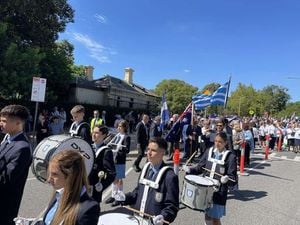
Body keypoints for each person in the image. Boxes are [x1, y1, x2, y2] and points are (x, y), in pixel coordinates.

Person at [15, 150, 100, 225]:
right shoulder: (58, 195)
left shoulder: (88, 209)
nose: (48, 180)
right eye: (49, 173)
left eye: (55, 174)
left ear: (71, 176)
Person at [115, 137, 179, 225]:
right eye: (148, 149)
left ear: (162, 152)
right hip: (137, 220)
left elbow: (172, 206)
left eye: (153, 150)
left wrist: (164, 216)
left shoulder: (170, 176)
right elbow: (137, 193)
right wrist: (125, 198)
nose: (149, 153)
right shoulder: (146, 168)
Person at [183, 132, 237, 225]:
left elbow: (232, 178)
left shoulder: (230, 157)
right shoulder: (209, 151)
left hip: (219, 192)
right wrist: (190, 170)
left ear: (225, 143)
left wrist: (227, 179)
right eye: (215, 141)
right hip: (206, 190)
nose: (217, 143)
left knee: (215, 219)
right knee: (207, 215)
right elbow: (200, 167)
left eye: (220, 142)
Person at [0, 105, 32, 225]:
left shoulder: (22, 148)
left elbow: (6, 179)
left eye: (4, 121)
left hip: (4, 206)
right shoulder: (7, 140)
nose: (1, 123)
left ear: (18, 123)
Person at [105, 120, 131, 206]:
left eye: (120, 126)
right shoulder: (117, 135)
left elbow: (127, 150)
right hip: (113, 159)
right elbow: (111, 144)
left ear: (124, 127)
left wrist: (120, 148)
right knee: (114, 179)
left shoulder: (126, 137)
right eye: (118, 126)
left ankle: (119, 198)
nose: (118, 128)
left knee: (119, 179)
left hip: (120, 160)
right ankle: (113, 195)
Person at [89, 125, 116, 203]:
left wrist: (102, 185)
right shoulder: (89, 147)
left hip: (94, 188)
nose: (93, 135)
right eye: (93, 132)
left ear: (104, 135)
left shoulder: (106, 151)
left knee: (92, 211)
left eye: (97, 133)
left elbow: (112, 173)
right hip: (82, 186)